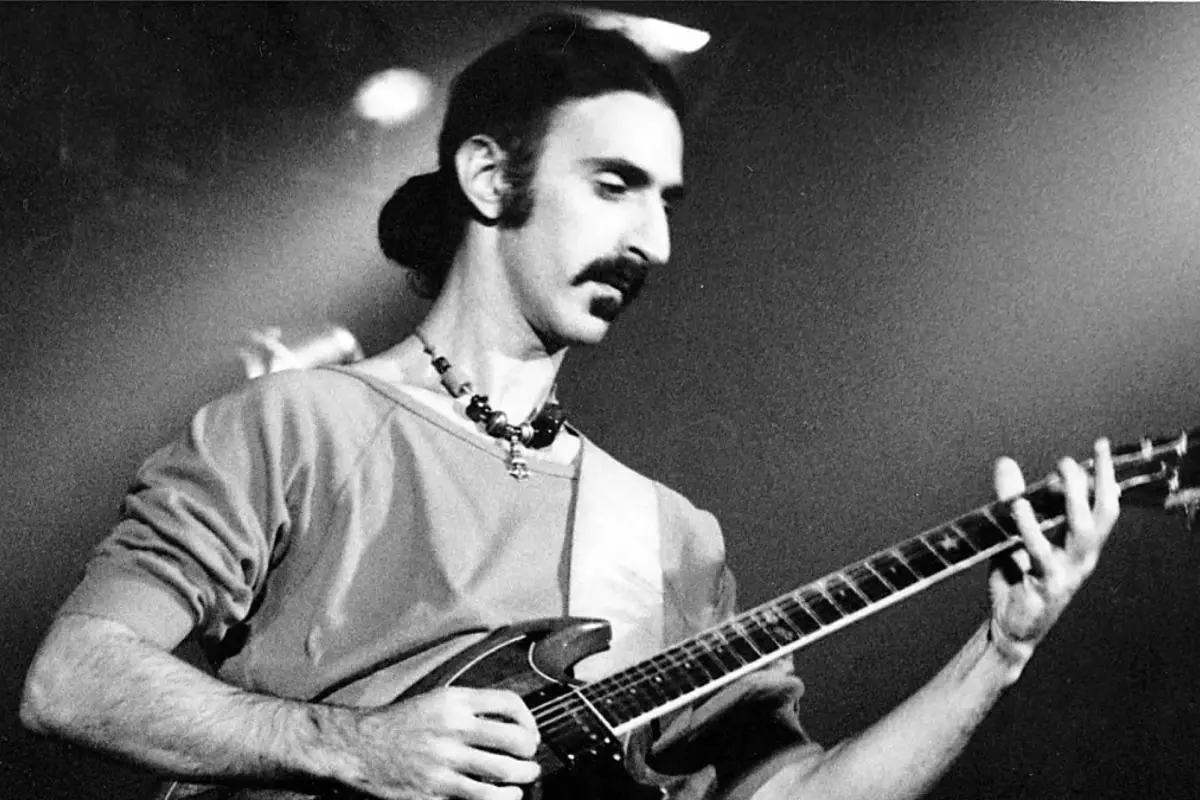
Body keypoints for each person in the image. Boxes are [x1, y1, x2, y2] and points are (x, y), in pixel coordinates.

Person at [21, 14, 1120, 800]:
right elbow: (74, 678)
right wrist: (355, 748)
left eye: (668, 201)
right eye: (614, 185)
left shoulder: (668, 535)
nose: (657, 241)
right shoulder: (296, 424)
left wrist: (998, 649)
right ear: (491, 176)